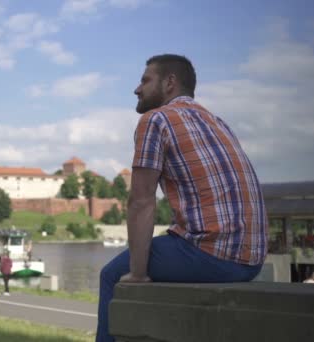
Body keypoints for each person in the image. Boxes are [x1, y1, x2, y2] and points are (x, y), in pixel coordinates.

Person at [96, 54, 268, 342]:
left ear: (170, 83)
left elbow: (141, 202)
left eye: (145, 80)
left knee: (112, 276)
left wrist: (137, 274)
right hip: (252, 261)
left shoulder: (156, 119)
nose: (137, 89)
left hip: (213, 256)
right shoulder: (217, 121)